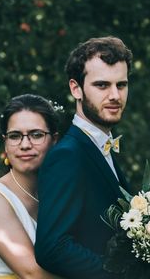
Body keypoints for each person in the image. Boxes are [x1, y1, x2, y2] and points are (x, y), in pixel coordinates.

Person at [35, 36, 133, 279]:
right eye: (102, 85)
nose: (115, 95)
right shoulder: (68, 155)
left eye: (121, 85)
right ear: (75, 88)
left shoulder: (101, 148)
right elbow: (52, 248)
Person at [0, 94, 62, 279]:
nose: (25, 145)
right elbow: (33, 274)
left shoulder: (57, 196)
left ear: (54, 141)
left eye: (36, 135)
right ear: (5, 143)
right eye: (15, 136)